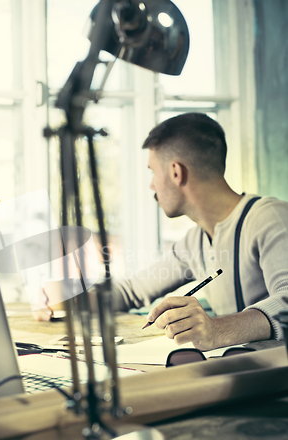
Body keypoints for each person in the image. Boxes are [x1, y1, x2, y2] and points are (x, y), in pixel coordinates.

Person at [35, 113, 288, 350]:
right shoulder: (194, 243)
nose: (152, 185)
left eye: (153, 172)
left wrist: (216, 329)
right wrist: (64, 297)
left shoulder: (270, 218)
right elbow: (129, 291)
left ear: (176, 172)